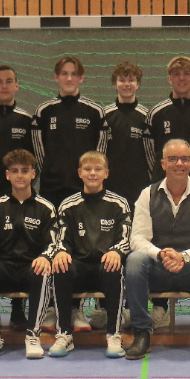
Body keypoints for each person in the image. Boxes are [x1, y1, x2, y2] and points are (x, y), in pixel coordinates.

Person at [125, 139, 190, 360]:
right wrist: (160, 254)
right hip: (158, 271)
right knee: (134, 260)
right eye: (173, 159)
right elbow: (138, 238)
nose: (179, 164)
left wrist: (184, 257)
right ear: (163, 164)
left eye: (184, 159)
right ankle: (142, 333)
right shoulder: (147, 194)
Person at [145, 56, 190, 327]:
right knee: (163, 238)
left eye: (187, 74)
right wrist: (166, 174)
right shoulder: (157, 112)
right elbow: (149, 152)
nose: (182, 78)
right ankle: (159, 308)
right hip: (164, 190)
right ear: (169, 79)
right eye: (177, 74)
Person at [0, 150, 56, 360]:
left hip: (31, 267)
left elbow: (53, 243)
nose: (20, 175)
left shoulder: (46, 208)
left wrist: (45, 256)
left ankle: (33, 335)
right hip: (5, 267)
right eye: (15, 171)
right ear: (7, 175)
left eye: (25, 171)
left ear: (33, 174)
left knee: (43, 271)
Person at [0, 65, 39, 330]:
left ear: (17, 85)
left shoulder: (27, 120)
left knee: (21, 248)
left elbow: (37, 156)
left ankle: (18, 311)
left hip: (21, 196)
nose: (4, 86)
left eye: (9, 81)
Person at [49, 151, 132, 358]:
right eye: (87, 169)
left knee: (114, 267)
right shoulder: (68, 205)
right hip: (80, 267)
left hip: (106, 266)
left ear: (106, 173)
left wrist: (116, 251)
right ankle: (64, 333)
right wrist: (61, 252)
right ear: (80, 173)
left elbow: (126, 238)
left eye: (98, 169)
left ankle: (113, 334)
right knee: (61, 266)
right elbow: (62, 239)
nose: (92, 173)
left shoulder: (119, 203)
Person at [34, 56, 108, 210]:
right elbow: (39, 153)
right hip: (51, 189)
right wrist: (51, 171)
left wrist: (88, 176)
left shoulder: (95, 111)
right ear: (56, 77)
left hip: (84, 188)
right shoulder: (44, 111)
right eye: (64, 74)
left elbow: (100, 154)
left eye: (74, 74)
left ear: (81, 78)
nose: (69, 78)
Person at [103, 61, 151, 208]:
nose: (126, 84)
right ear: (114, 84)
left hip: (139, 186)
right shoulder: (104, 116)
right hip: (110, 185)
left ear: (138, 84)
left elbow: (151, 155)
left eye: (131, 80)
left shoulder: (147, 117)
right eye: (122, 80)